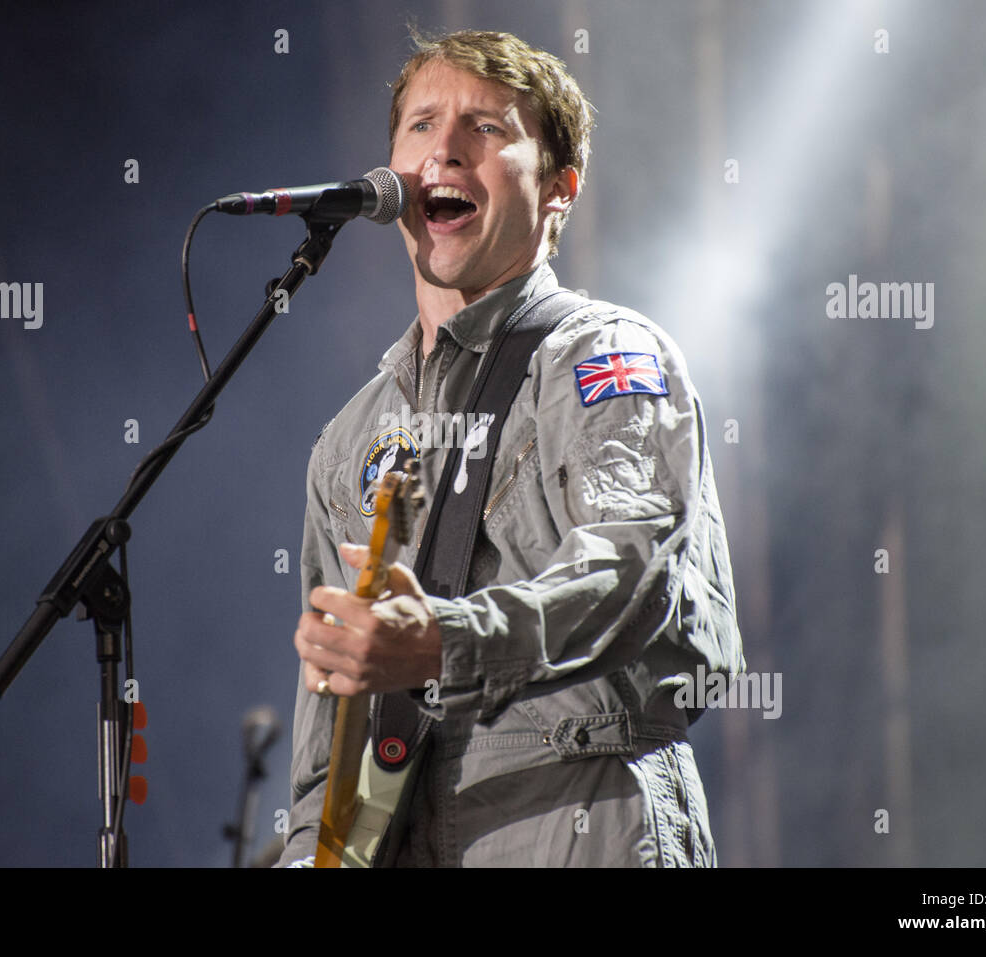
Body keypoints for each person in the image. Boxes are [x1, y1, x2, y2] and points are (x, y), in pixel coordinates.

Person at [276, 28, 744, 867]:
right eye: (420, 125)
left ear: (560, 189)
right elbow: (328, 737)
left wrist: (445, 642)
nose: (445, 147)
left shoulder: (602, 356)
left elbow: (631, 568)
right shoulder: (348, 441)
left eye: (486, 128)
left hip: (578, 816)